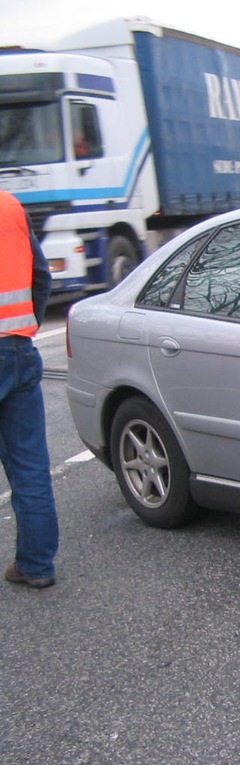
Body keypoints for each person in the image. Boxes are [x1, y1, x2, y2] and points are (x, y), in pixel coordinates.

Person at [0, 191, 59, 588]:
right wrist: (24, 330)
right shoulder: (9, 205)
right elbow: (41, 274)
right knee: (30, 466)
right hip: (16, 348)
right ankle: (36, 565)